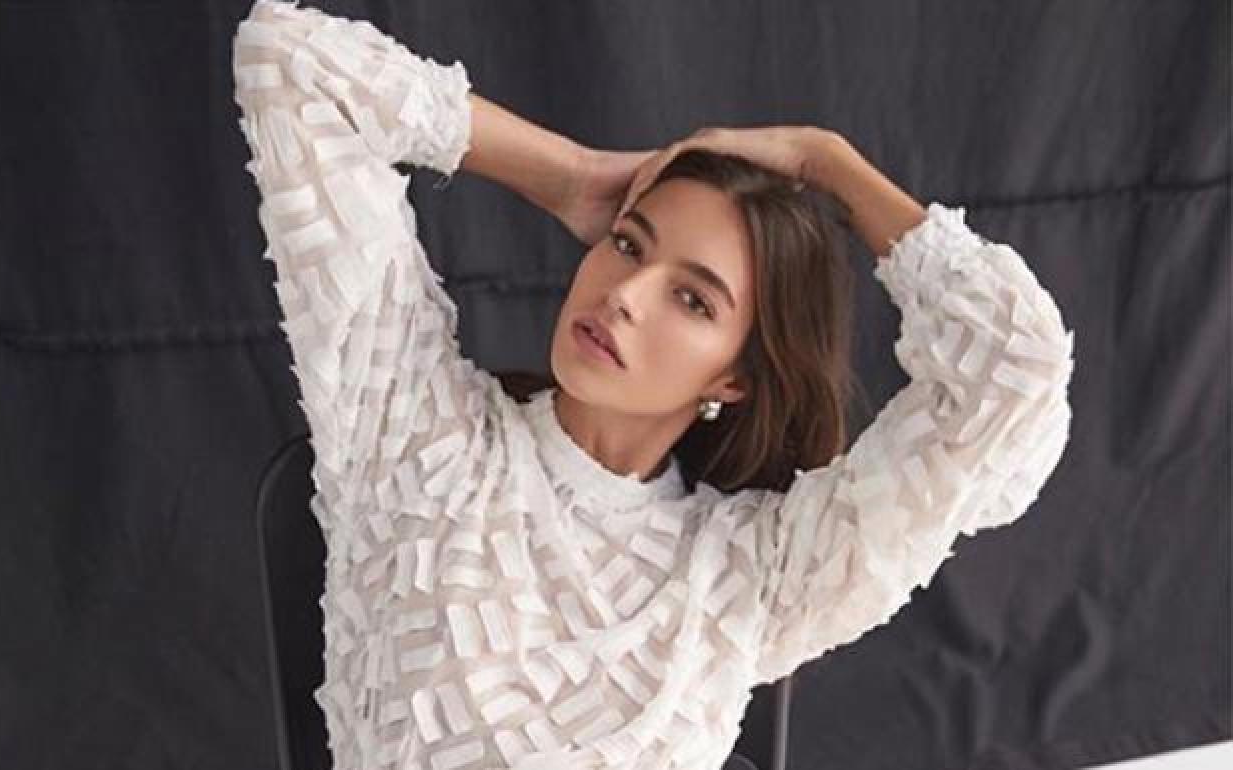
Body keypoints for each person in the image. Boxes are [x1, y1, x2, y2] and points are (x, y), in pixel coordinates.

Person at [231, 1, 1076, 768]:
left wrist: (826, 162)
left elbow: (1014, 373)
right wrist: (566, 173)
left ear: (736, 378)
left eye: (692, 299)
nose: (625, 295)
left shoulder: (753, 574)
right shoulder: (413, 430)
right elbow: (292, 61)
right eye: (629, 244)